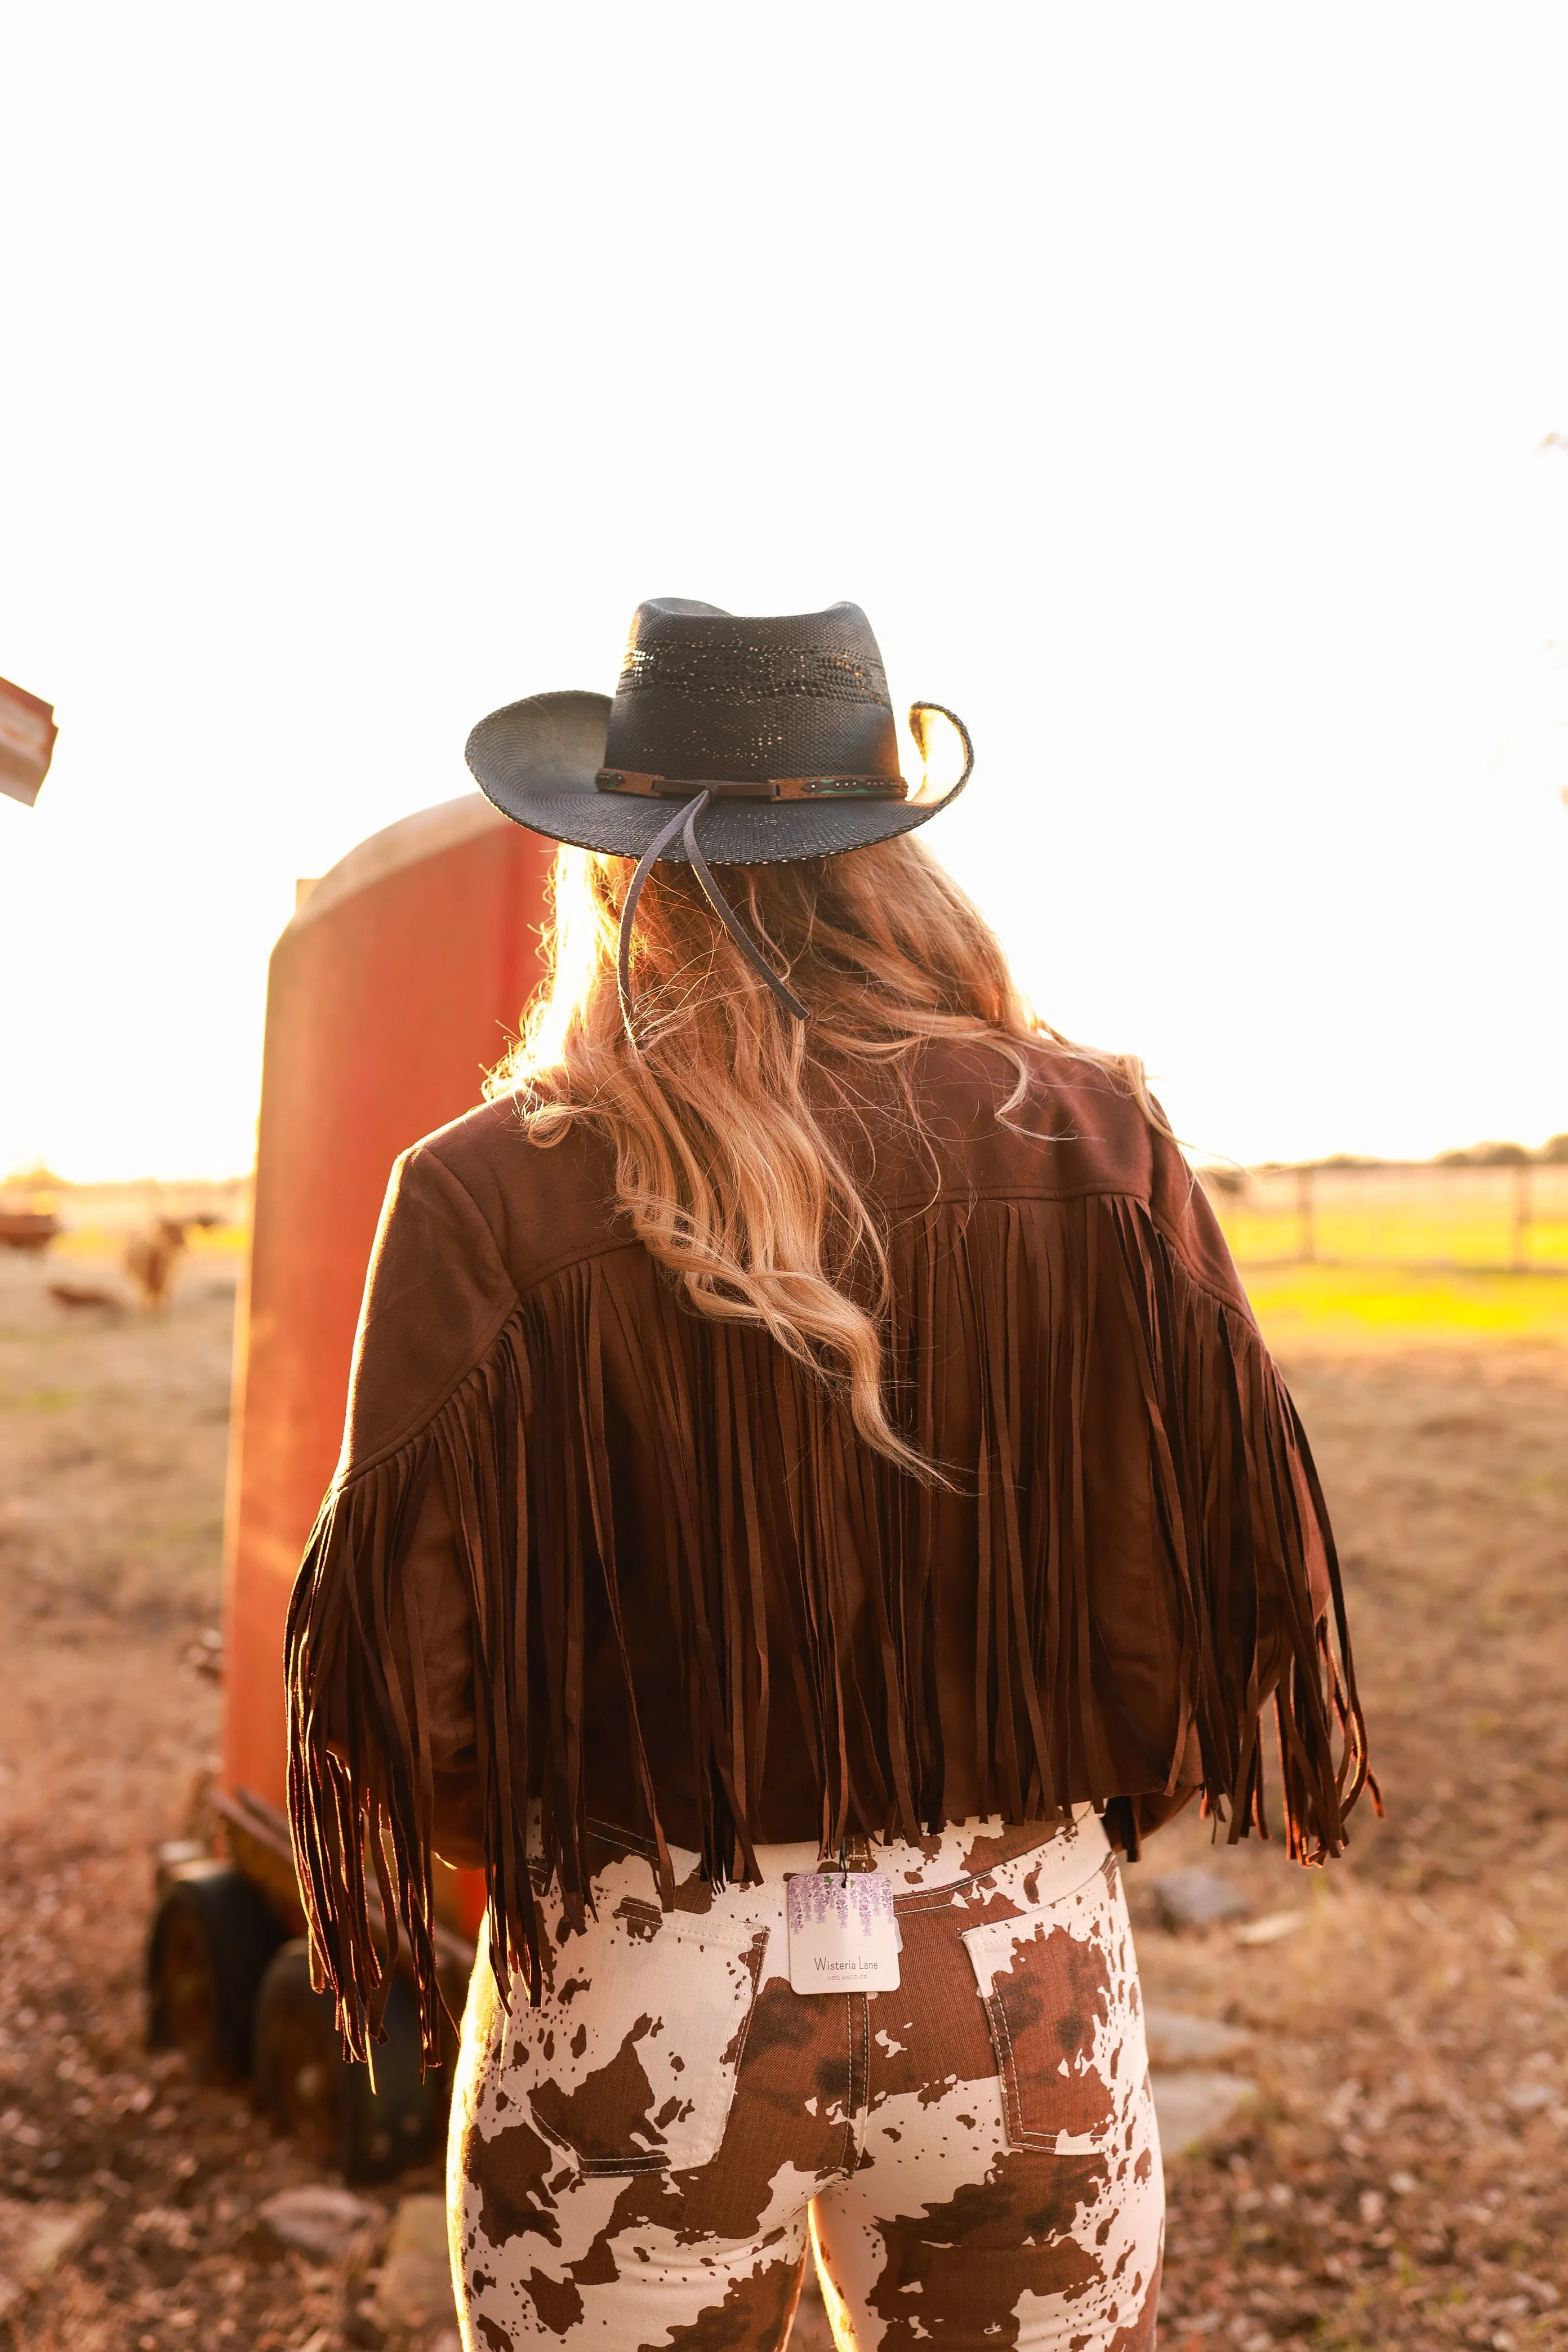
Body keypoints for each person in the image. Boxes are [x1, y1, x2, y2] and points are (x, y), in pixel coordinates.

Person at [287, 600, 1371, 2351]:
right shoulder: (1095, 1138)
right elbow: (1232, 1572)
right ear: (892, 867)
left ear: (617, 872)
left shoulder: (488, 1184)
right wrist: (1034, 1819)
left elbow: (400, 1676)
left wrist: (590, 1848)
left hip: (637, 1948)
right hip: (1018, 1943)